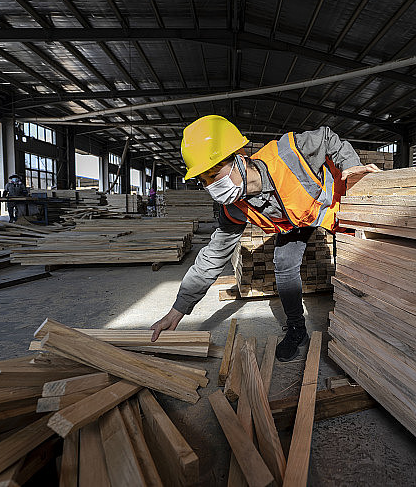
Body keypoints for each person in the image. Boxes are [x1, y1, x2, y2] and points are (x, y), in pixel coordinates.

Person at [149, 115, 381, 361]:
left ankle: (359, 328)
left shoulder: (290, 155)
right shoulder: (234, 207)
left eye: (214, 174)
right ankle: (296, 329)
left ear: (238, 159)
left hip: (335, 204)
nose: (211, 186)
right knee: (283, 263)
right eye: (203, 180)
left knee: (355, 263)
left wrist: (350, 164)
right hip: (296, 220)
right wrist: (177, 311)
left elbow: (326, 137)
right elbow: (213, 257)